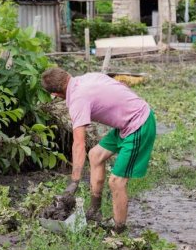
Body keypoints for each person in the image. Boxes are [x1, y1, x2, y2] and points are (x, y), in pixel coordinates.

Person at [41, 68, 156, 234]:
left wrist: (74, 182)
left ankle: (119, 229)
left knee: (116, 182)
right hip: (126, 122)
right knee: (95, 155)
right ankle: (95, 211)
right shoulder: (86, 78)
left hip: (139, 124)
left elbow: (79, 143)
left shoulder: (78, 100)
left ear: (56, 94)